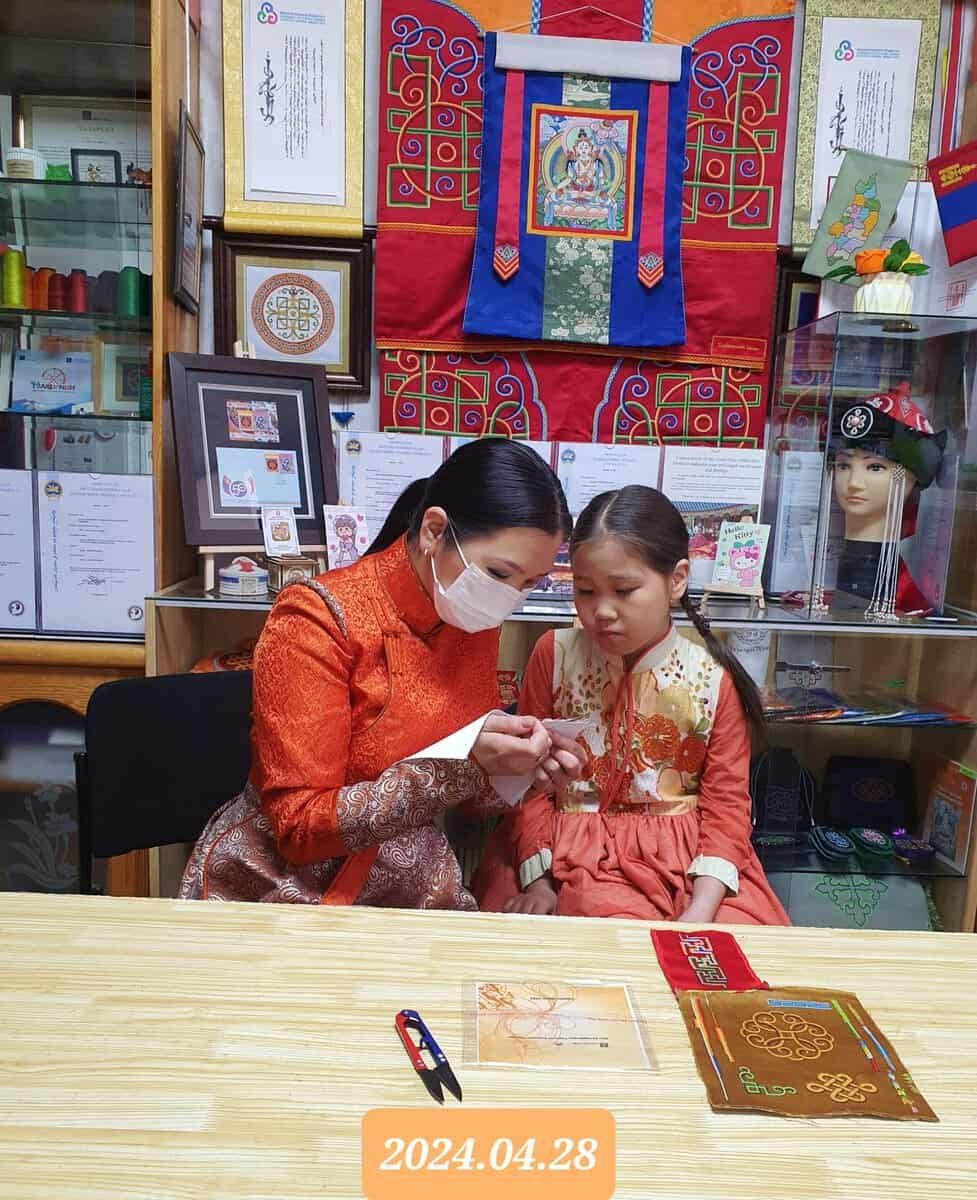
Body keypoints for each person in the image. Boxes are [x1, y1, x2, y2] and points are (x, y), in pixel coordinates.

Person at [181, 438, 584, 908]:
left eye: (529, 584)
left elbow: (466, 802)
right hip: (285, 884)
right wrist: (466, 769)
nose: (508, 597)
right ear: (434, 530)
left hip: (409, 877)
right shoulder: (317, 617)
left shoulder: (469, 615)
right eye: (498, 573)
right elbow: (299, 827)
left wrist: (521, 772)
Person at [474, 485, 788, 925]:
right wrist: (538, 882)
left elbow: (727, 807)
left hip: (689, 861)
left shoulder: (714, 679)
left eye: (624, 590)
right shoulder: (553, 653)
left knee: (743, 953)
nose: (602, 611)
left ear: (677, 580)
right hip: (560, 850)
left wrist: (701, 908)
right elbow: (528, 785)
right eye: (585, 591)